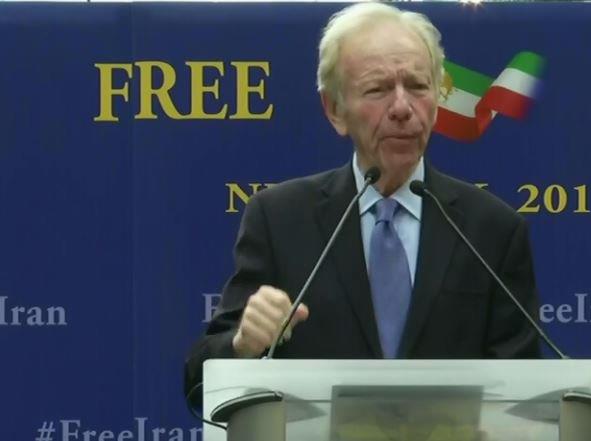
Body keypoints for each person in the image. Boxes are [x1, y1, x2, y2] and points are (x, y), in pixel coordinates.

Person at [184, 2, 540, 403]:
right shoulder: (280, 219)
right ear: (335, 110)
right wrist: (243, 345)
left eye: (418, 86)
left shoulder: (492, 230)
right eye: (378, 89)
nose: (403, 108)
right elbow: (198, 383)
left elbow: (525, 395)